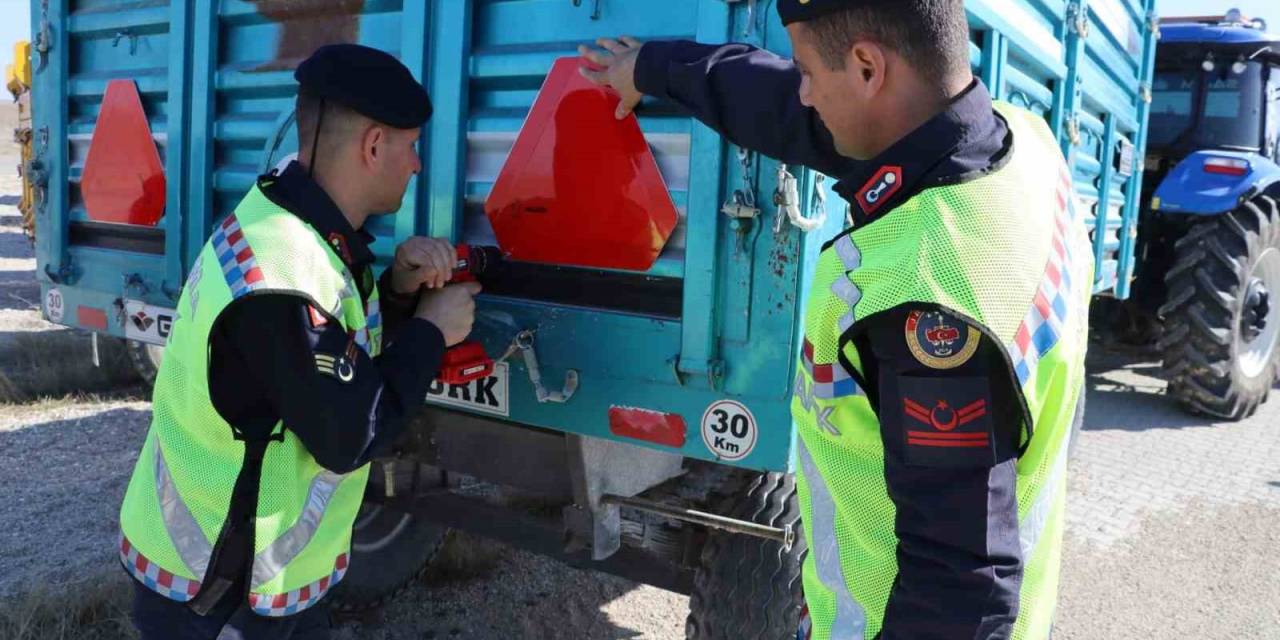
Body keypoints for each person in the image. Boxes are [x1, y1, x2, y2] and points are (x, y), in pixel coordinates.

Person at [580, 1, 1092, 638]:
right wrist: (656, 67)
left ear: (869, 68)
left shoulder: (927, 300)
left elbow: (960, 593)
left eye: (807, 73)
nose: (803, 93)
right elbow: (787, 114)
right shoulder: (1025, 146)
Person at [117, 43, 479, 639]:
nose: (417, 165)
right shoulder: (281, 279)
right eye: (410, 146)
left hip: (237, 578)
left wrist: (399, 291)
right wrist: (432, 332)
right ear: (372, 146)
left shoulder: (289, 225)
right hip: (217, 593)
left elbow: (317, 361)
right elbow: (352, 430)